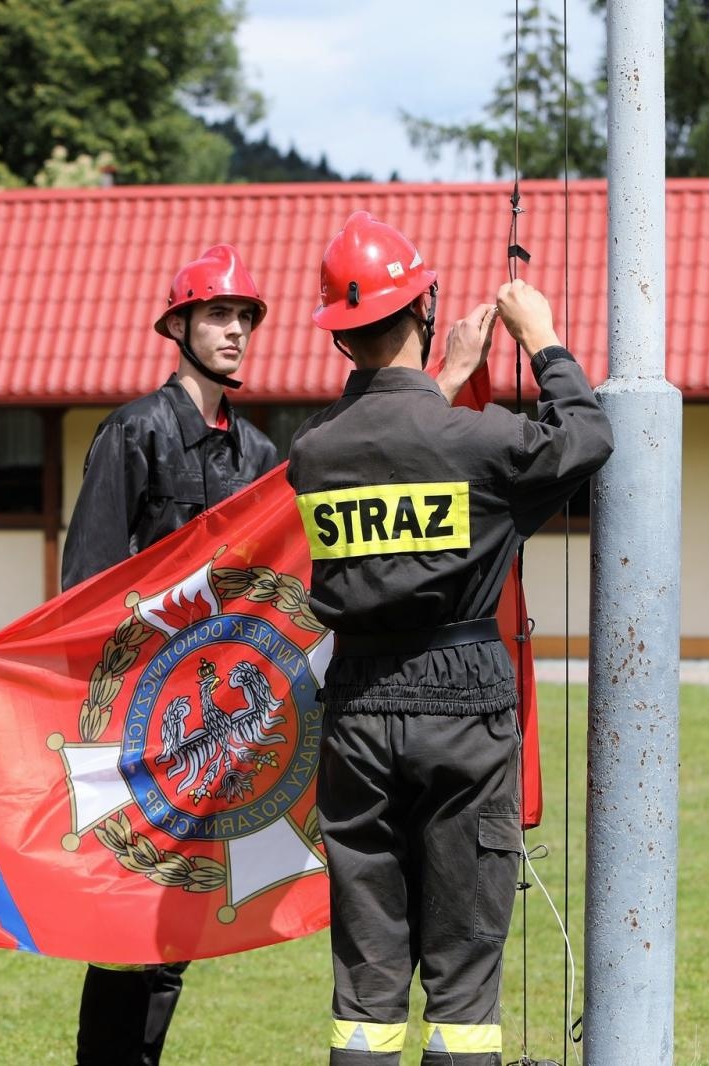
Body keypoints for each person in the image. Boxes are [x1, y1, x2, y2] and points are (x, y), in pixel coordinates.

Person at [286, 212, 614, 1066]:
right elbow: (585, 439)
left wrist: (441, 382)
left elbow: (392, 448)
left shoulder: (314, 453)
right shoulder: (480, 443)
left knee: (366, 986)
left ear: (339, 334)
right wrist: (542, 339)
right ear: (425, 308)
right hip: (463, 706)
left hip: (355, 711)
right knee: (464, 985)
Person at [62, 244, 279, 1066]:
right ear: (178, 327)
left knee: (175, 921)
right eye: (219, 314)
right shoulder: (135, 431)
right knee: (127, 913)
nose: (235, 330)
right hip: (138, 722)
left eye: (245, 317)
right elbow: (87, 584)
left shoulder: (259, 457)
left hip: (214, 731)